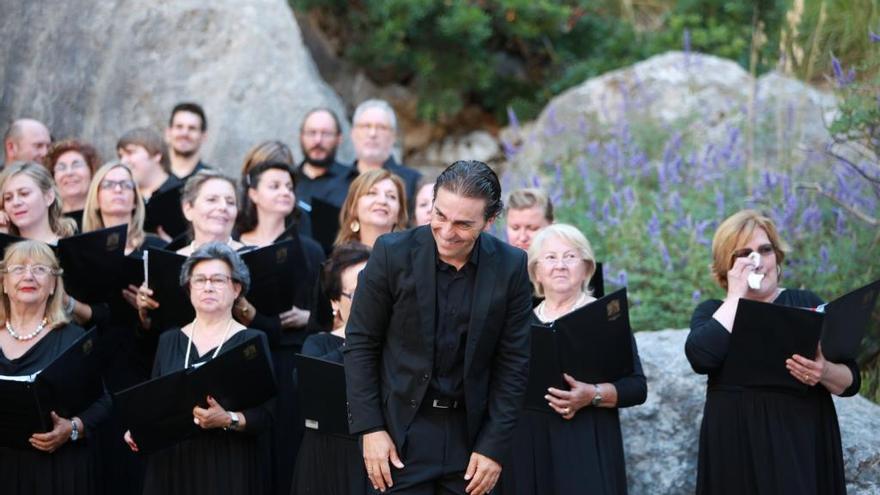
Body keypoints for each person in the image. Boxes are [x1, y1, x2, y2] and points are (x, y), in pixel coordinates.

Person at [344, 160, 532, 495]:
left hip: (472, 440)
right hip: (399, 434)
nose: (446, 232)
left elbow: (514, 362)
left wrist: (493, 446)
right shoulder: (391, 254)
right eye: (440, 215)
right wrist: (370, 428)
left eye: (463, 224)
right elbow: (361, 342)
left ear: (490, 221)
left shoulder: (511, 266)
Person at [686, 209, 860, 495]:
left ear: (776, 256)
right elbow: (701, 357)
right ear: (727, 266)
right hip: (735, 450)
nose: (757, 261)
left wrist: (824, 371)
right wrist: (735, 296)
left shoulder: (804, 302)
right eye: (744, 254)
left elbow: (851, 381)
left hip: (798, 445)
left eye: (764, 250)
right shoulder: (714, 312)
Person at [501, 223, 646, 495]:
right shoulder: (517, 323)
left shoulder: (605, 318)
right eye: (551, 258)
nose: (560, 265)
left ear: (586, 268)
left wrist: (592, 394)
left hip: (585, 442)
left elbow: (637, 387)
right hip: (528, 445)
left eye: (570, 256)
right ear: (536, 272)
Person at [124, 242, 274, 495]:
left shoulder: (253, 340)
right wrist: (139, 429)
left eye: (218, 280)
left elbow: (267, 415)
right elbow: (155, 404)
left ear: (236, 288)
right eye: (200, 280)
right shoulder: (168, 339)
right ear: (188, 289)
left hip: (228, 463)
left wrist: (229, 419)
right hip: (172, 463)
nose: (207, 287)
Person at [235, 158, 326, 495]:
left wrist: (308, 318)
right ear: (253, 193)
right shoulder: (235, 245)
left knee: (288, 444)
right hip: (248, 357)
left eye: (289, 186)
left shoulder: (311, 248)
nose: (285, 192)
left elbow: (327, 314)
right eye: (274, 185)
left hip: (290, 357)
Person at [0, 240, 109, 494]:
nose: (29, 276)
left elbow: (103, 403)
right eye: (18, 269)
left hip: (56, 470)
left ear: (53, 285)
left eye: (40, 269)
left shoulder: (73, 337)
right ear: (3, 283)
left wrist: (71, 429)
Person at [291, 242, 371, 495]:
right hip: (328, 457)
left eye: (376, 289)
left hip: (381, 457)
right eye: (358, 293)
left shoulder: (399, 343)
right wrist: (357, 337)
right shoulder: (319, 343)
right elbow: (307, 384)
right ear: (335, 302)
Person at [117, 127, 185, 240]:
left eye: (130, 153)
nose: (123, 161)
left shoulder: (184, 194)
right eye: (121, 156)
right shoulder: (124, 197)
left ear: (156, 155)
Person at [350, 99, 421, 207]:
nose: (372, 134)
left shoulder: (413, 182)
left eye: (381, 127)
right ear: (353, 133)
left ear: (393, 136)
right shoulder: (334, 182)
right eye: (366, 126)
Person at [296, 107, 356, 212]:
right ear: (301, 136)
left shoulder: (353, 181)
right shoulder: (288, 181)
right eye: (312, 133)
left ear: (339, 138)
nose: (318, 140)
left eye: (326, 133)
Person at [334, 168, 408, 249]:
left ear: (399, 213)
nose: (382, 201)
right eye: (372, 193)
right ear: (354, 207)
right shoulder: (341, 259)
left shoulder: (413, 259)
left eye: (391, 196)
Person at [45, 138, 101, 229]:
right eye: (61, 167)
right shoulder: (46, 223)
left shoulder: (105, 217)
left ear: (92, 171)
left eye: (76, 165)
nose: (69, 173)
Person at [165, 102, 211, 181]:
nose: (185, 133)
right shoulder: (151, 176)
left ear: (204, 136)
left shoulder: (210, 181)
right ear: (168, 132)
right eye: (179, 127)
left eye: (192, 128)